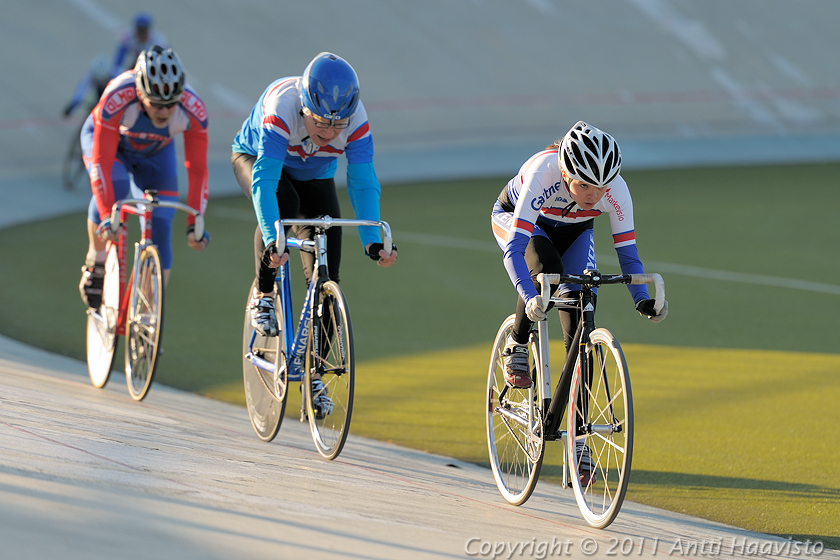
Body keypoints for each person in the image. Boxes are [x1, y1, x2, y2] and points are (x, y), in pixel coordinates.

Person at [231, 52, 397, 415]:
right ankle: (263, 292)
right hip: (259, 162)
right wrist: (273, 238)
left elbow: (362, 179)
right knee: (283, 206)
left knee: (326, 276)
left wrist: (372, 240)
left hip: (315, 176)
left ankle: (315, 372)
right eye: (321, 122)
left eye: (338, 126)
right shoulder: (282, 107)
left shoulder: (357, 121)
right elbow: (265, 180)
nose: (329, 132)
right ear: (304, 108)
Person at [491, 120, 669, 385]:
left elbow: (628, 255)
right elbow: (515, 249)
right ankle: (517, 343)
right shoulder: (543, 172)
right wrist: (529, 297)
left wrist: (641, 299)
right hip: (522, 221)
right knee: (546, 270)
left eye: (602, 186)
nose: (594, 195)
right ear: (565, 174)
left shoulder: (617, 191)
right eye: (584, 185)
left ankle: (577, 417)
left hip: (575, 231)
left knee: (581, 311)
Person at [78, 46, 210, 310]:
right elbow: (102, 163)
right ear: (139, 94)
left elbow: (197, 169)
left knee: (161, 223)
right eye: (157, 105)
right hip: (110, 147)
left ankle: (149, 309)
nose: (164, 112)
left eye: (170, 104)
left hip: (155, 155)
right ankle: (97, 260)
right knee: (114, 188)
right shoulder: (118, 96)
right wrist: (106, 215)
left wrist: (195, 217)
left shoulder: (193, 110)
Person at [111, 12, 169, 77]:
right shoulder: (128, 37)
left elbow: (167, 59)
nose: (142, 34)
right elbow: (119, 58)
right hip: (137, 61)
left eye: (144, 31)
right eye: (140, 31)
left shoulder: (158, 41)